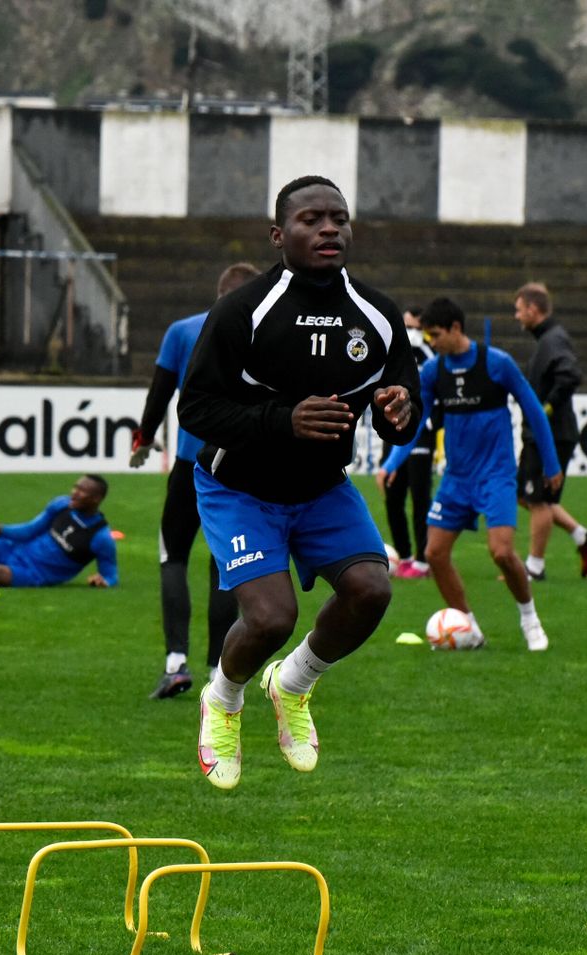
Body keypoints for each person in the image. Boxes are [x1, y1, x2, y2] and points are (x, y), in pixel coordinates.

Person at [179, 175, 421, 792]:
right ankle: (223, 699)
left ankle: (292, 685)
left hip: (321, 489)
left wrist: (401, 409)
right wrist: (282, 419)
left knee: (371, 591)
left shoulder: (378, 315)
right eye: (312, 219)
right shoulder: (243, 311)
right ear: (278, 234)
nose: (329, 228)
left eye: (338, 218)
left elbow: (403, 407)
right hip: (240, 488)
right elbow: (196, 410)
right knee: (271, 619)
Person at [383, 296, 561, 652]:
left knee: (500, 552)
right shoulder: (435, 372)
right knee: (434, 554)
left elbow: (534, 412)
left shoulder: (497, 364)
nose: (432, 342)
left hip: (496, 476)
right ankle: (469, 628)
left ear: (455, 329)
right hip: (457, 479)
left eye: (435, 334)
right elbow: (418, 422)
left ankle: (529, 617)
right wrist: (393, 460)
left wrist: (552, 464)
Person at [130, 262, 257, 699]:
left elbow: (160, 390)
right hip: (243, 463)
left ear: (219, 291)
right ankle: (218, 667)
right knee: (225, 565)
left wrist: (144, 438)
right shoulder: (266, 330)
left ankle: (175, 662)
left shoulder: (184, 330)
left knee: (174, 556)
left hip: (191, 463)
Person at [512, 283, 587, 580]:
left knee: (537, 500)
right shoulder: (548, 339)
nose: (516, 316)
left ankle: (534, 568)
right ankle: (582, 536)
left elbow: (570, 375)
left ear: (533, 309)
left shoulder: (554, 340)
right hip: (545, 434)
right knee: (526, 495)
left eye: (519, 309)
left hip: (550, 434)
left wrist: (545, 411)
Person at [374, 305, 435, 580]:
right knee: (393, 497)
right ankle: (404, 554)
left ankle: (423, 558)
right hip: (394, 432)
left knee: (420, 498)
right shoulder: (394, 355)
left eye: (417, 328)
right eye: (407, 327)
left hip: (421, 434)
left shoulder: (430, 358)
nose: (412, 333)